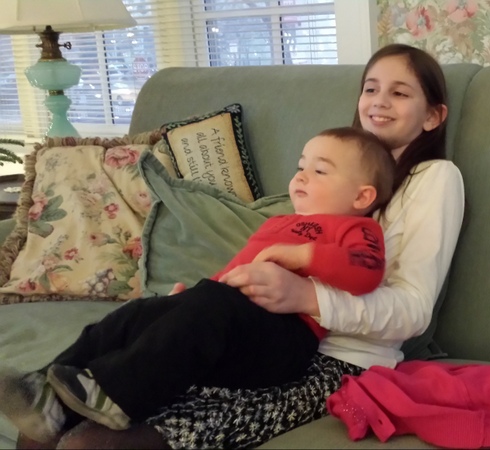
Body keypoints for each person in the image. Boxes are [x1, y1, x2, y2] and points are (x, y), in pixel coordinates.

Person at [15, 43, 466, 450]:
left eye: (400, 93)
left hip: (339, 362)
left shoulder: (434, 178)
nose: (380, 101)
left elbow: (412, 311)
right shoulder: (332, 179)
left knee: (92, 443)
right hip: (255, 331)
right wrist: (190, 304)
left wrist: (304, 296)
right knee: (46, 423)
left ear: (432, 116)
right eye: (371, 88)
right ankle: (47, 393)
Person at [1, 126, 394, 442]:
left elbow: (367, 272)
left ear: (362, 196)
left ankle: (118, 394)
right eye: (301, 166)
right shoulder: (278, 223)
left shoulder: (358, 228)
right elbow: (233, 276)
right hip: (234, 322)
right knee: (139, 313)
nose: (301, 176)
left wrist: (304, 256)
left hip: (286, 338)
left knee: (210, 305)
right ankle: (49, 393)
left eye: (320, 171)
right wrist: (187, 304)